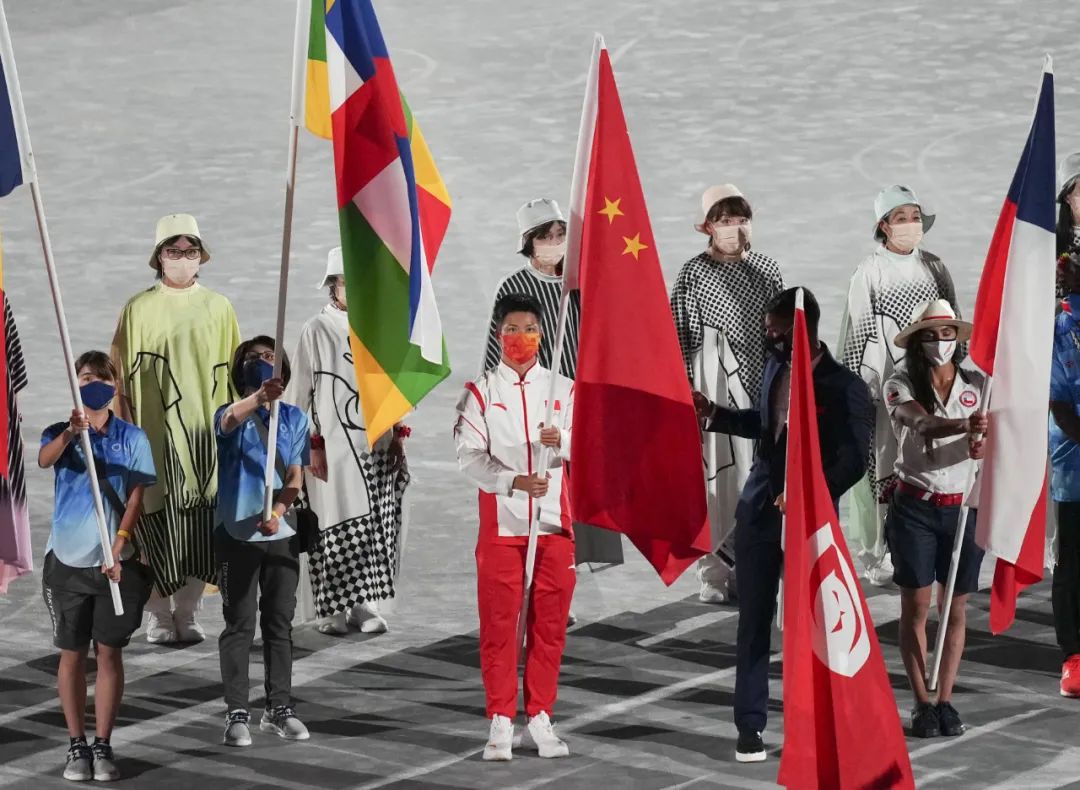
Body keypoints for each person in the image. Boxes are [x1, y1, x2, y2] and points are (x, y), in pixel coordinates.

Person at [692, 287, 872, 762]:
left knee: (812, 626)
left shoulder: (845, 387)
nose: (770, 339)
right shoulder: (775, 367)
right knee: (753, 622)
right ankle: (750, 726)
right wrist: (716, 415)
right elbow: (766, 425)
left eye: (777, 332)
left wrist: (807, 493)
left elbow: (854, 461)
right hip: (758, 515)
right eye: (768, 331)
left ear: (803, 330)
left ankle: (814, 723)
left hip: (810, 524)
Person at [482, 198, 622, 602]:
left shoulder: (579, 283)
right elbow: (497, 352)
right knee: (537, 499)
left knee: (574, 503)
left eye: (561, 233)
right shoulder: (513, 288)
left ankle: (559, 588)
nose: (555, 241)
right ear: (529, 242)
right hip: (530, 406)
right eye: (546, 235)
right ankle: (532, 586)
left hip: (577, 406)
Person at [455, 292, 575, 762]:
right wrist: (513, 481)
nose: (520, 338)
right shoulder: (481, 392)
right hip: (502, 528)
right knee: (500, 626)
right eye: (511, 330)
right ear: (498, 334)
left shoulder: (564, 389)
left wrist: (562, 440)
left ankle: (540, 715)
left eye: (529, 329)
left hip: (553, 526)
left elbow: (593, 443)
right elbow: (468, 456)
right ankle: (501, 718)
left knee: (550, 627)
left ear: (542, 334)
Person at [111, 214, 241, 644]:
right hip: (152, 436)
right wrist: (124, 433)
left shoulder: (219, 308)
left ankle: (187, 611)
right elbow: (119, 377)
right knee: (152, 523)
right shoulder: (137, 309)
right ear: (159, 257)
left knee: (200, 528)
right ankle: (158, 615)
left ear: (201, 256)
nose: (182, 258)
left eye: (190, 251)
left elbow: (235, 375)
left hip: (204, 438)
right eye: (173, 251)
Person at [38, 352, 156, 782]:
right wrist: (72, 432)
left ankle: (103, 743)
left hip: (114, 566)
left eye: (102, 378)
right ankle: (77, 744)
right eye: (86, 378)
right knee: (72, 655)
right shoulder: (59, 432)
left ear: (115, 385)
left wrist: (120, 543)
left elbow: (137, 495)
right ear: (75, 384)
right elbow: (45, 460)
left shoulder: (133, 437)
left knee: (109, 653)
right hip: (67, 562)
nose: (95, 385)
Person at [838, 185, 961, 587]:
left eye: (915, 217)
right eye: (901, 217)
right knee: (884, 465)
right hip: (885, 390)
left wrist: (952, 374)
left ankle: (917, 541)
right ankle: (877, 550)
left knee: (924, 462)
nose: (911, 224)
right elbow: (858, 334)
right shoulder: (869, 272)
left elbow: (952, 319)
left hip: (930, 383)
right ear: (884, 226)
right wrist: (864, 392)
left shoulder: (935, 268)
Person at [284, 247, 407, 635]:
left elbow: (393, 389)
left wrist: (398, 436)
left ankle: (363, 604)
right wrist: (311, 445)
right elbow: (297, 396)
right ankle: (330, 607)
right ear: (333, 285)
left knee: (372, 525)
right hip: (332, 450)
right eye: (346, 281)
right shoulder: (316, 330)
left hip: (376, 448)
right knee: (333, 524)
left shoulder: (381, 328)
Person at [671, 184, 784, 604]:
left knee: (758, 482)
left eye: (741, 218)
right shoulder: (693, 274)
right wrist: (687, 396)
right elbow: (678, 338)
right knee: (716, 481)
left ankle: (750, 569)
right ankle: (713, 571)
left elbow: (783, 333)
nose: (734, 227)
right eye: (724, 220)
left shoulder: (768, 270)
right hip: (713, 393)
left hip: (761, 392)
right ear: (708, 227)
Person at [883, 300, 987, 738]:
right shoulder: (899, 383)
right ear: (917, 342)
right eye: (931, 335)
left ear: (957, 339)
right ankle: (921, 702)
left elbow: (999, 436)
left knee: (955, 609)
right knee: (917, 608)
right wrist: (966, 427)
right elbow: (921, 425)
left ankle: (945, 698)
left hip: (963, 509)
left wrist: (985, 441)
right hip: (916, 509)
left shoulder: (978, 385)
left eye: (947, 334)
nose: (940, 342)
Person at [215, 336, 311, 747]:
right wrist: (258, 398)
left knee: (279, 624)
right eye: (253, 358)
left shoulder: (295, 418)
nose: (261, 361)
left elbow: (295, 476)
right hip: (237, 533)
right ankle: (237, 712)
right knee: (239, 624)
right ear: (240, 371)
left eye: (270, 357)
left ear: (282, 371)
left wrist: (278, 511)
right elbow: (227, 421)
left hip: (280, 535)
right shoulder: (231, 412)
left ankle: (279, 709)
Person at [1050, 152, 1080, 698]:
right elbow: (1056, 398)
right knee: (1073, 553)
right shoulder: (1048, 259)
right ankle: (1074, 654)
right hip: (1073, 451)